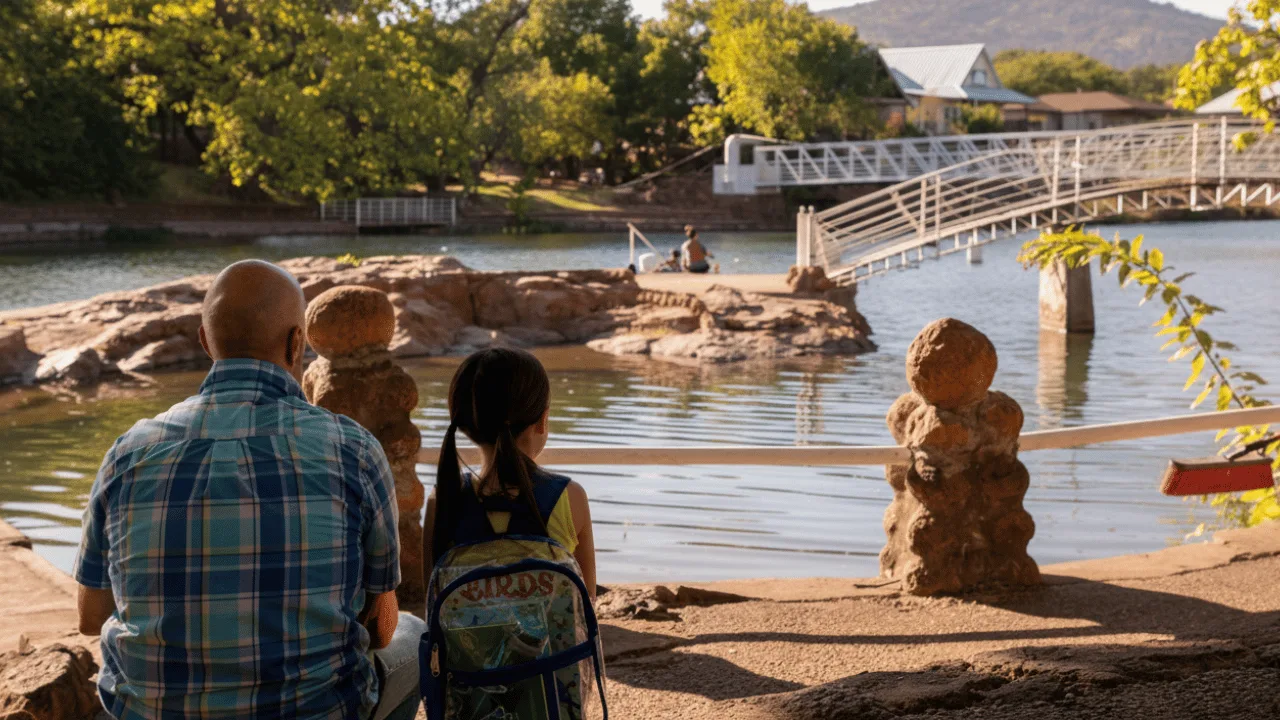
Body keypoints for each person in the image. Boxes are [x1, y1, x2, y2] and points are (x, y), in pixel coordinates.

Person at [73, 260, 423, 720]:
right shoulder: (352, 449)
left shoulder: (129, 453)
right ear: (297, 342)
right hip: (316, 712)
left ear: (205, 341)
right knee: (413, 634)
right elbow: (381, 625)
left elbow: (90, 617)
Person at [423, 347, 596, 599]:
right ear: (543, 420)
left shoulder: (442, 499)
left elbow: (432, 600)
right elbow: (587, 601)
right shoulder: (570, 497)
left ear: (465, 424)